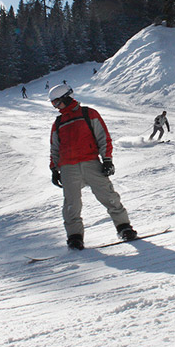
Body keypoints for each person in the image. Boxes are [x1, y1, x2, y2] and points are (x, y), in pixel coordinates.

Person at [48, 84, 137, 249]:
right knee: (71, 204)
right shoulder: (59, 122)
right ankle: (75, 237)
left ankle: (124, 227)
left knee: (108, 195)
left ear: (66, 97)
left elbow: (103, 137)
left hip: (90, 163)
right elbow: (55, 147)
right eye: (53, 104)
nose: (56, 107)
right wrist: (54, 169)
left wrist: (107, 159)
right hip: (68, 167)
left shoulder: (88, 114)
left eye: (57, 102)